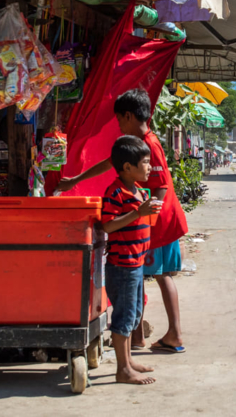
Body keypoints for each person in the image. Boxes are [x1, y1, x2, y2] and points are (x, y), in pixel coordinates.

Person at [58, 89, 189, 353]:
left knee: (160, 275)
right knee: (141, 276)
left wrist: (148, 216)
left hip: (158, 221)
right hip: (149, 219)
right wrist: (75, 180)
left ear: (129, 116)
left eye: (119, 120)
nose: (119, 126)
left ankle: (174, 334)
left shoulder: (149, 144)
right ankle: (137, 336)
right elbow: (111, 162)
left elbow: (162, 185)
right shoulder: (137, 142)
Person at [101, 135, 160, 385]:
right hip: (122, 266)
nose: (149, 167)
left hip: (135, 264)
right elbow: (108, 225)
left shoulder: (136, 190)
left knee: (134, 314)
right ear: (127, 167)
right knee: (124, 317)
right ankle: (123, 369)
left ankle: (128, 360)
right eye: (145, 162)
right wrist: (139, 212)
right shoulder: (116, 192)